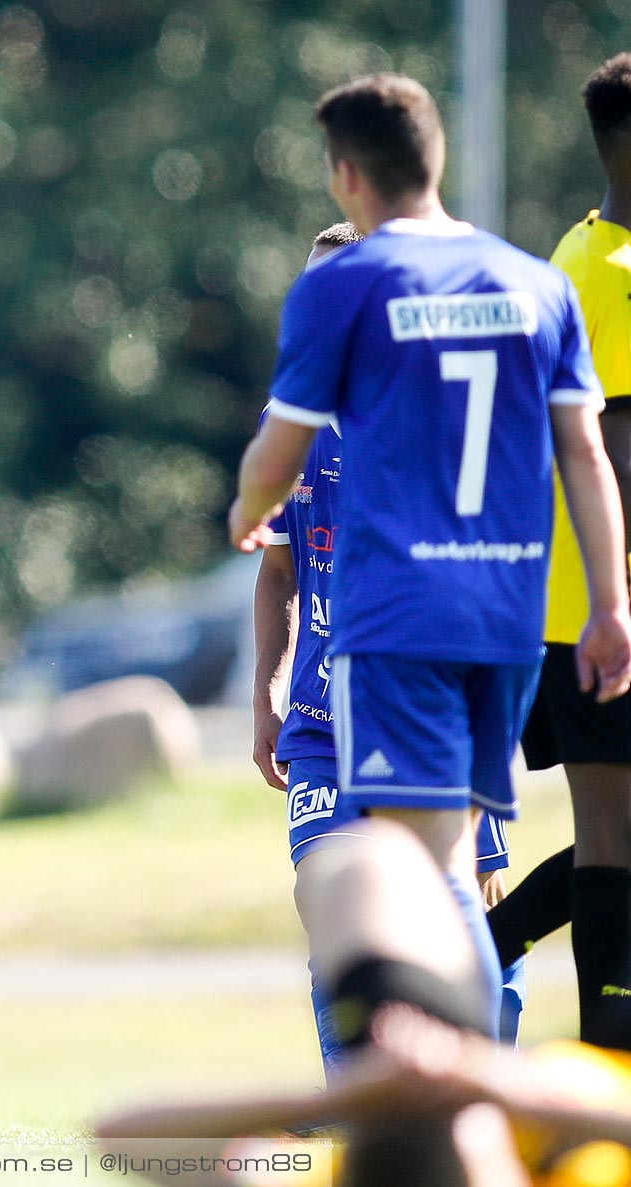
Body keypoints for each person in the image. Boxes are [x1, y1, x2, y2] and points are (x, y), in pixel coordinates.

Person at [228, 72, 631, 1037]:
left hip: (396, 617)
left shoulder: (347, 283)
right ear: (437, 156)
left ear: (346, 173)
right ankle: (462, 1073)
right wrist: (610, 603)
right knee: (453, 856)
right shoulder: (534, 281)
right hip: (505, 623)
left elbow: (282, 452)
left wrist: (252, 504)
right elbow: (586, 453)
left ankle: (425, 1081)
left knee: (407, 870)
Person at [254, 222, 524, 1071]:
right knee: (330, 910)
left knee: (469, 919)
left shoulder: (444, 426)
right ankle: (361, 1113)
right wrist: (265, 689)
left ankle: (476, 1098)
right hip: (319, 725)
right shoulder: (283, 425)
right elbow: (278, 570)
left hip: (426, 718)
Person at [95, 819, 631, 1187]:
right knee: (374, 867)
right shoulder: (567, 1127)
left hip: (407, 1033)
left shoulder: (338, 1173)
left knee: (365, 866)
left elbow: (119, 1135)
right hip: (566, 1074)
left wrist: (343, 1099)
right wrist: (493, 1086)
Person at [506, 51, 631, 1052]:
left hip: (586, 605)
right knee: (611, 837)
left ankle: (465, 950)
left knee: (614, 836)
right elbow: (614, 455)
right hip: (603, 604)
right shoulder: (603, 272)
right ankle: (606, 1049)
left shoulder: (573, 255)